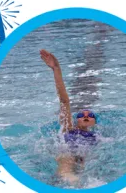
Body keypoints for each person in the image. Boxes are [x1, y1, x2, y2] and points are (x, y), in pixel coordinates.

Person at [40, 49, 97, 185]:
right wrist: (56, 69)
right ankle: (67, 178)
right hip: (66, 153)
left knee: (87, 166)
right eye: (81, 114)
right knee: (66, 159)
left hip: (84, 157)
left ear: (94, 122)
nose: (86, 115)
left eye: (90, 115)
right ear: (75, 120)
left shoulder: (98, 136)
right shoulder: (69, 129)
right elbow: (64, 101)